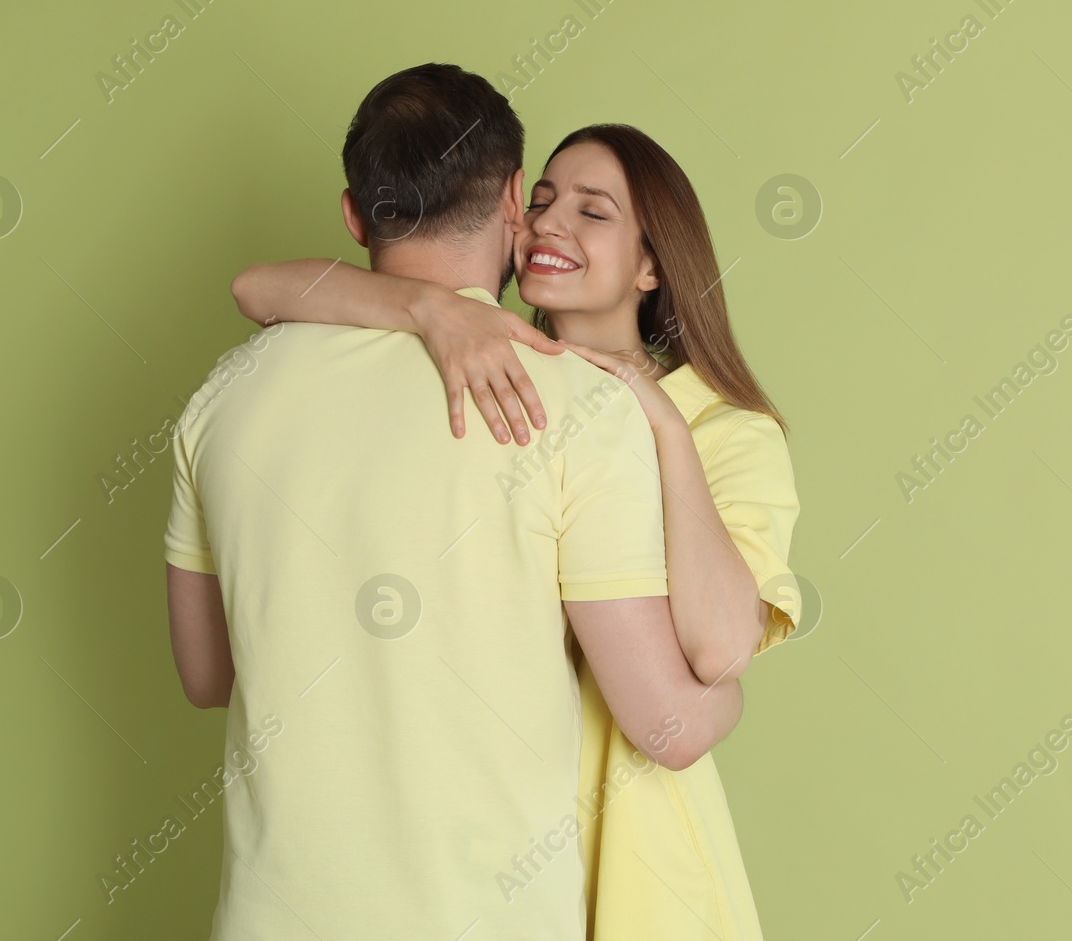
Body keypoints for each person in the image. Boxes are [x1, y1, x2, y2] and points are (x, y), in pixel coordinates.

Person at [162, 64, 746, 941]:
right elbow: (667, 722)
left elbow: (206, 677)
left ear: (356, 215)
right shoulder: (576, 406)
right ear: (517, 199)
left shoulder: (223, 396)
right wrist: (728, 697)